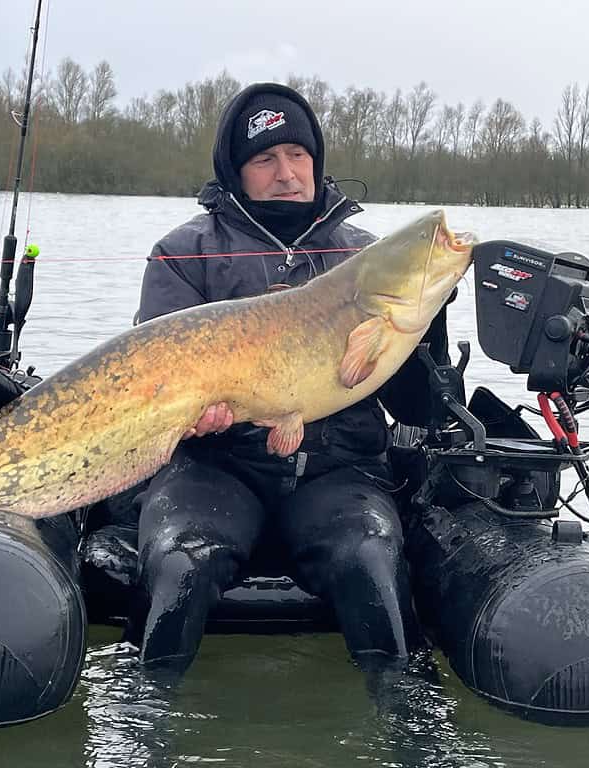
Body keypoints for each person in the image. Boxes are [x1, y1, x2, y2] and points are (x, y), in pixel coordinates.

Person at [128, 82, 453, 673]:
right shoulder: (182, 253)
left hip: (341, 472)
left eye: (298, 155)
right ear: (235, 171)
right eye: (265, 158)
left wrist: (428, 323)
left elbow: (416, 411)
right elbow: (155, 388)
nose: (287, 172)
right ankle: (147, 725)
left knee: (372, 560)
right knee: (181, 564)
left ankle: (409, 729)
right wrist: (196, 423)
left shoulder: (368, 257)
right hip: (215, 471)